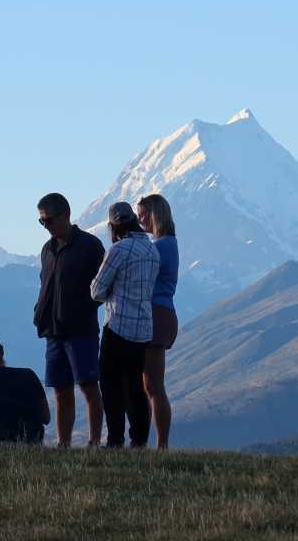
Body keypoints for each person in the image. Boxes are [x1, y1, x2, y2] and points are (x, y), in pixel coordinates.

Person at [32, 192, 106, 448]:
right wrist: (39, 311)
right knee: (61, 389)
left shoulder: (90, 246)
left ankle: (94, 441)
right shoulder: (47, 249)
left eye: (49, 220)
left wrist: (83, 309)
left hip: (80, 330)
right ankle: (64, 444)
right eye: (41, 222)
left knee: (87, 385)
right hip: (53, 330)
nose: (46, 226)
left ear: (65, 216)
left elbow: (103, 286)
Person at [90, 201, 158, 448]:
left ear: (113, 225)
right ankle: (139, 440)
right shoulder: (151, 250)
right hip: (143, 329)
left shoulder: (119, 250)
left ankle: (115, 439)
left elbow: (96, 290)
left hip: (118, 325)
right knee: (135, 387)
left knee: (110, 386)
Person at [137, 193, 180, 450]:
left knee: (153, 385)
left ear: (155, 215)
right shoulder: (167, 244)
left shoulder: (159, 247)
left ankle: (161, 443)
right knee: (150, 384)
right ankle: (157, 442)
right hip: (162, 313)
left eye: (143, 215)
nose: (141, 221)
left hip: (156, 314)